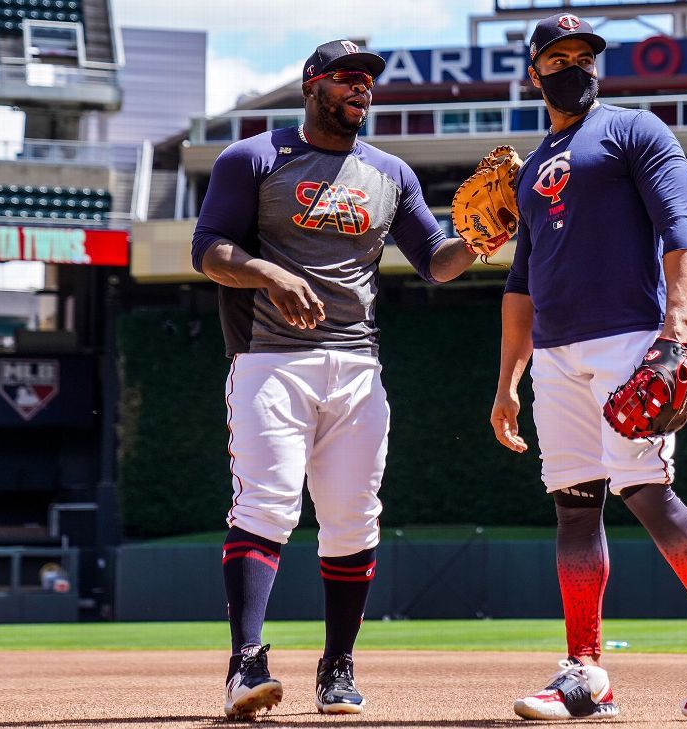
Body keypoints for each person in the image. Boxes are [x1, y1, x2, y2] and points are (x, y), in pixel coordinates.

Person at [191, 39, 481, 720]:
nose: (362, 88)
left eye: (369, 81)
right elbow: (208, 250)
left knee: (352, 518)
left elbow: (435, 261)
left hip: (356, 364)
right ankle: (245, 664)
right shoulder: (255, 158)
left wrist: (482, 237)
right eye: (349, 78)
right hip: (269, 357)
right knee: (265, 505)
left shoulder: (390, 173)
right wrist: (269, 271)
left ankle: (337, 667)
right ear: (313, 85)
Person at [490, 14, 687, 722]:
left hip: (629, 339)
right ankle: (584, 670)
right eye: (559, 56)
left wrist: (678, 322)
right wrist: (507, 383)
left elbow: (682, 228)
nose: (574, 66)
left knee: (645, 488)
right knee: (574, 507)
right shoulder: (529, 170)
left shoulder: (636, 130)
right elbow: (520, 281)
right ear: (535, 73)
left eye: (585, 55)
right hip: (552, 353)